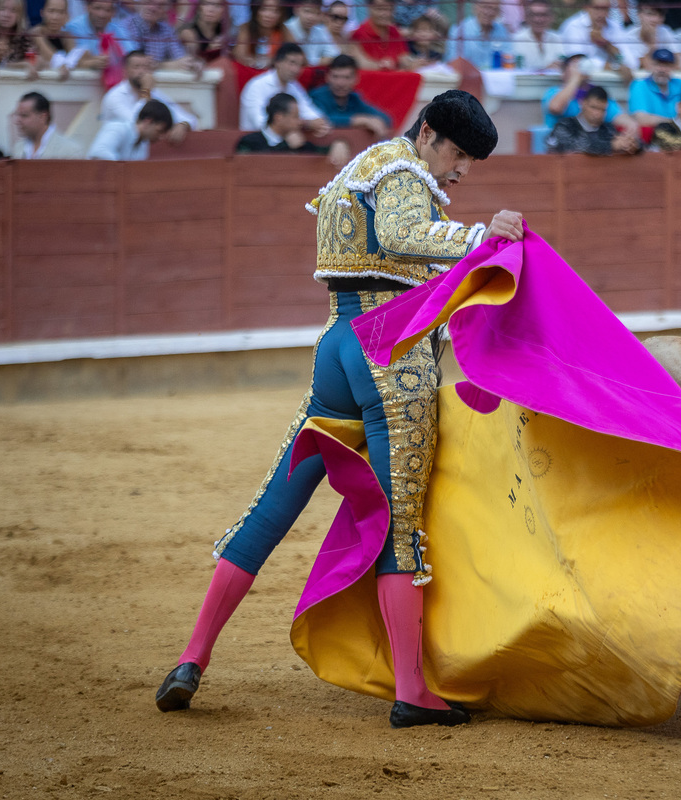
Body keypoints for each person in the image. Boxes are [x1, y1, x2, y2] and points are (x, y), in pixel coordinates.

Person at [154, 89, 524, 730]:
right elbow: (401, 236)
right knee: (401, 522)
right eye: (457, 153)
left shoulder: (361, 165)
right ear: (428, 131)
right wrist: (477, 237)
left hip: (337, 344)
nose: (460, 170)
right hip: (389, 353)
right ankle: (413, 692)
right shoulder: (405, 170)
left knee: (273, 508)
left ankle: (191, 657)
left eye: (471, 162)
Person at [100, 49, 197, 144]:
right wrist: (146, 90)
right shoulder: (115, 96)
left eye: (146, 67)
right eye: (136, 67)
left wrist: (182, 124)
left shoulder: (155, 93)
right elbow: (135, 124)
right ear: (125, 71)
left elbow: (189, 119)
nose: (142, 72)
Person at [236, 92, 352, 165]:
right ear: (279, 118)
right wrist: (285, 145)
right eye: (295, 117)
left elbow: (321, 151)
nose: (300, 121)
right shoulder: (248, 142)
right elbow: (254, 165)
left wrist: (339, 143)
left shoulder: (299, 143)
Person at [239, 42, 330, 132]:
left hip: (284, 140)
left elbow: (312, 113)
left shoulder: (294, 86)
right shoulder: (257, 86)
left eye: (300, 65)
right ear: (277, 62)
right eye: (292, 63)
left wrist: (317, 122)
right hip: (255, 142)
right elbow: (260, 124)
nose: (296, 70)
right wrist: (304, 124)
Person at [541, 52, 637, 132]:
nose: (580, 67)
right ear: (563, 73)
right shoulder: (553, 92)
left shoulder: (596, 95)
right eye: (575, 64)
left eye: (582, 63)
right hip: (560, 146)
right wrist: (575, 79)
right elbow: (555, 108)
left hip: (591, 146)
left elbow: (624, 120)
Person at [308, 54, 392, 137]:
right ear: (327, 77)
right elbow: (321, 120)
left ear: (356, 79)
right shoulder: (317, 96)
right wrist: (360, 120)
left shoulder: (353, 97)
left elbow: (385, 118)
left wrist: (376, 121)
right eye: (335, 77)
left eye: (346, 77)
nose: (340, 83)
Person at [546, 84, 641, 154]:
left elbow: (638, 145)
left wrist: (631, 145)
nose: (598, 114)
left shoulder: (607, 129)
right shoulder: (565, 125)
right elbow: (574, 145)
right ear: (583, 103)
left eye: (602, 110)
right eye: (594, 107)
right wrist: (611, 145)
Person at [558, 0, 633, 72]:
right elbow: (577, 63)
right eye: (597, 8)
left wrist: (607, 46)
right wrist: (614, 68)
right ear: (586, 8)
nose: (601, 14)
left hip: (613, 81)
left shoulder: (615, 27)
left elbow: (632, 63)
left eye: (606, 9)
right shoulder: (574, 26)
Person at [87, 99, 173, 159]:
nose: (161, 137)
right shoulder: (118, 128)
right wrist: (125, 168)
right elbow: (98, 153)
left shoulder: (143, 143)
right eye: (159, 130)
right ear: (148, 122)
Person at [120, 0, 194, 69]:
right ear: (141, 3)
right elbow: (140, 64)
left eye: (159, 6)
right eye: (149, 2)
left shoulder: (166, 29)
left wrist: (192, 63)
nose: (152, 8)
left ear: (164, 12)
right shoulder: (126, 26)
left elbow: (180, 57)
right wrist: (169, 64)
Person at [11, 91, 85, 158]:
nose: (17, 121)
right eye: (18, 115)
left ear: (43, 117)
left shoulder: (69, 150)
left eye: (24, 115)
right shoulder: (18, 148)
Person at [626, 48, 681, 127]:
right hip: (653, 135)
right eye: (658, 64)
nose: (662, 69)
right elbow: (641, 119)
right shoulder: (639, 85)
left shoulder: (680, 84)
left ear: (673, 67)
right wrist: (675, 123)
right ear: (651, 66)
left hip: (680, 134)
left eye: (666, 65)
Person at [449, 0, 512, 69]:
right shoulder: (459, 31)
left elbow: (509, 58)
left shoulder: (502, 31)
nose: (488, 12)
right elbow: (454, 64)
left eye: (494, 9)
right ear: (474, 7)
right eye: (485, 7)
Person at [61, 0, 126, 65]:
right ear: (87, 7)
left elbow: (130, 56)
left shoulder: (119, 30)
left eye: (107, 10)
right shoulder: (73, 28)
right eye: (97, 8)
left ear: (113, 13)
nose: (101, 15)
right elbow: (76, 60)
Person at [234, 0, 292, 69]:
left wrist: (273, 61)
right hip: (250, 71)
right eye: (264, 9)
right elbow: (240, 55)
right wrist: (252, 61)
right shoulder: (246, 28)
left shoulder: (283, 30)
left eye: (275, 11)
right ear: (256, 10)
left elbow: (296, 54)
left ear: (281, 15)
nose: (269, 15)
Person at [351, 0, 409, 69]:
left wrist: (412, 62)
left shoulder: (395, 31)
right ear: (369, 9)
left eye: (389, 9)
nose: (384, 14)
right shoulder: (358, 34)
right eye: (379, 9)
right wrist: (380, 65)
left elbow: (404, 57)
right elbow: (360, 63)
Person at [285, 0, 339, 66]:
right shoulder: (287, 29)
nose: (311, 17)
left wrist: (311, 62)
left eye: (316, 13)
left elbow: (335, 57)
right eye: (307, 11)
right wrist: (321, 60)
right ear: (296, 10)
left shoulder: (320, 30)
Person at [512, 0, 563, 70]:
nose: (538, 20)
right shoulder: (515, 39)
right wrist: (546, 69)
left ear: (551, 17)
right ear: (526, 17)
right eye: (534, 15)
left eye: (543, 15)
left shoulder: (558, 38)